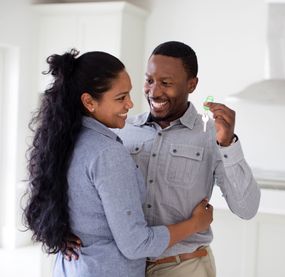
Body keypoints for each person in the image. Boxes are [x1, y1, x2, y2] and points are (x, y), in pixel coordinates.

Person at [65, 41, 261, 276]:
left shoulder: (211, 135)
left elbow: (246, 209)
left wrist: (227, 144)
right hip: (125, 267)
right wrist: (62, 227)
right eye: (149, 80)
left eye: (166, 83)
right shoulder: (122, 129)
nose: (154, 91)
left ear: (192, 84)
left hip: (183, 266)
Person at [23, 49, 213, 277]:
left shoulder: (63, 142)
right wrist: (195, 224)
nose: (130, 104)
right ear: (89, 102)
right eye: (121, 98)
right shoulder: (107, 153)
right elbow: (136, 244)